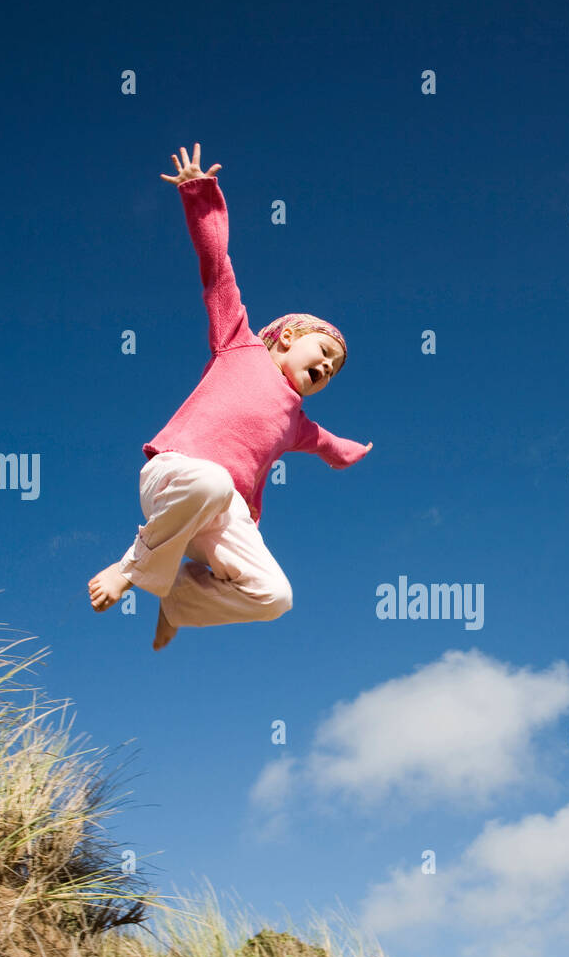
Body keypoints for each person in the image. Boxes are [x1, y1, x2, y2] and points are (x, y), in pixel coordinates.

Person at [88, 143, 372, 650]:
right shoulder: (238, 344)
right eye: (323, 352)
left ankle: (178, 600)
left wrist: (350, 454)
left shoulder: (296, 421)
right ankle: (133, 567)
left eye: (333, 371)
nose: (326, 366)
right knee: (213, 480)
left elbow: (327, 443)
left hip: (221, 515)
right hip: (177, 480)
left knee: (275, 596)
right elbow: (216, 267)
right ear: (287, 336)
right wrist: (199, 194)